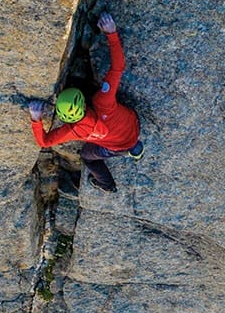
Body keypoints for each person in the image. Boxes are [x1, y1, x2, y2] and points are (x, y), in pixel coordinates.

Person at [28, 12, 141, 192]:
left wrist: (36, 119)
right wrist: (111, 32)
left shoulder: (73, 131)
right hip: (133, 125)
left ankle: (107, 185)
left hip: (115, 146)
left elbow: (45, 142)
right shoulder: (104, 101)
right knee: (119, 135)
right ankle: (133, 147)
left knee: (87, 157)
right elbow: (118, 67)